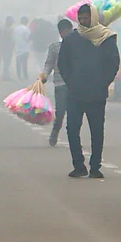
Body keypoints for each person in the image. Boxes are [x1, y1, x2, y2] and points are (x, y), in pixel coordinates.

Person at [57, 3, 120, 179]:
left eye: (86, 18)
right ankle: (78, 165)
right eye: (81, 18)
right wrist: (71, 81)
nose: (84, 21)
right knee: (72, 129)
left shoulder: (106, 37)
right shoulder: (71, 39)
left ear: (93, 17)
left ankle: (95, 166)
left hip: (97, 93)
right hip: (75, 92)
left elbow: (113, 63)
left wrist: (102, 83)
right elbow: (63, 63)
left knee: (97, 131)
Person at [40, 19, 74, 147]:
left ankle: (73, 138)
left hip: (75, 84)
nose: (67, 34)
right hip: (60, 84)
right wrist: (44, 75)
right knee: (60, 112)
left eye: (69, 32)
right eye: (64, 32)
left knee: (74, 114)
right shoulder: (55, 47)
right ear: (60, 33)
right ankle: (55, 131)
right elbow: (49, 63)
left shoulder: (78, 46)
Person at [13, 16, 32, 81]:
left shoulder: (16, 28)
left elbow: (13, 37)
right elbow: (28, 38)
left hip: (17, 47)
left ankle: (19, 75)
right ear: (26, 22)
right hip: (25, 48)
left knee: (18, 63)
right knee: (24, 63)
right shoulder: (26, 29)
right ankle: (25, 75)